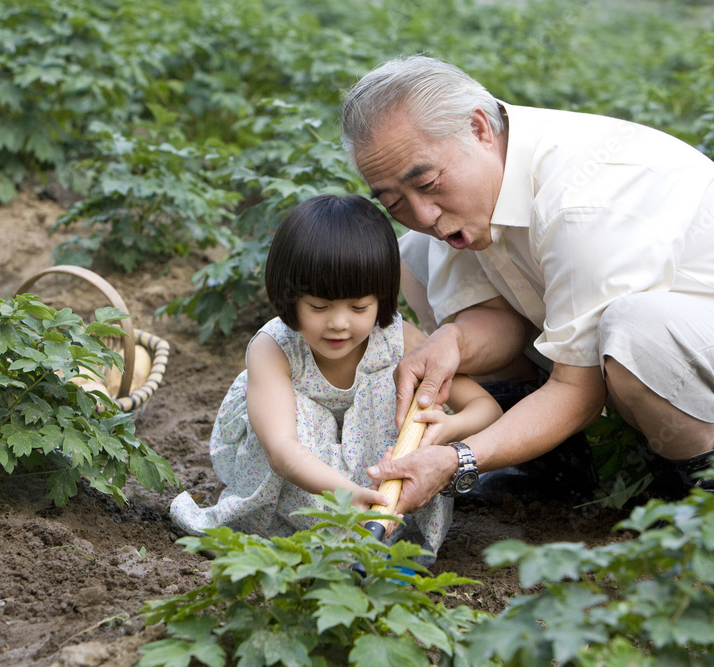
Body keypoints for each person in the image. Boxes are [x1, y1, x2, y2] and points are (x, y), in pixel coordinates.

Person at [339, 55, 714, 510]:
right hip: (621, 353)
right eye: (393, 200)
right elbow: (495, 317)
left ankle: (698, 495)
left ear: (479, 128)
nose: (421, 213)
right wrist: (453, 343)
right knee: (417, 254)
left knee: (639, 331)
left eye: (426, 184)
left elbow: (580, 392)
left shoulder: (581, 200)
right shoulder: (472, 190)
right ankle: (556, 470)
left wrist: (460, 459)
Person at [169, 193, 502, 561]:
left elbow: (484, 408)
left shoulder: (396, 338)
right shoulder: (274, 348)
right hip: (301, 490)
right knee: (304, 414)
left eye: (359, 307)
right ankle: (309, 537)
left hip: (379, 499)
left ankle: (382, 534)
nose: (339, 323)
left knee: (403, 397)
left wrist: (444, 429)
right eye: (319, 306)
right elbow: (282, 451)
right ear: (289, 298)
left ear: (381, 297)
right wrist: (346, 496)